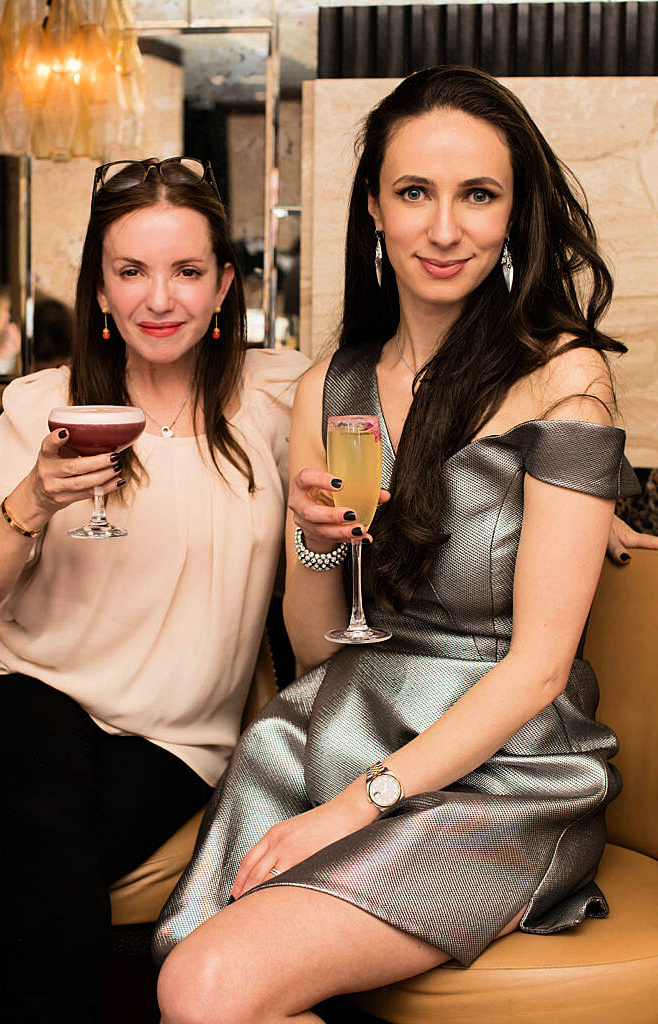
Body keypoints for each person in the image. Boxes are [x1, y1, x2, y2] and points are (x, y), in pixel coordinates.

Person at [153, 66, 657, 1022]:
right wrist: (312, 543)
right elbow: (315, 647)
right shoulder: (327, 389)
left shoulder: (563, 377)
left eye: (479, 195)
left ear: (515, 216)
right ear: (374, 209)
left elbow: (541, 669)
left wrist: (351, 812)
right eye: (414, 192)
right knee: (198, 985)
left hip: (502, 771)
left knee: (208, 988)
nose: (443, 228)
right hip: (335, 730)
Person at [0, 157, 308, 1023]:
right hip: (28, 695)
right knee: (50, 832)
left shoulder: (281, 394)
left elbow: (431, 409)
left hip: (176, 737)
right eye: (131, 271)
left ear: (225, 284)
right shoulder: (44, 405)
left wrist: (571, 489)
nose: (160, 299)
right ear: (99, 291)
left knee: (48, 866)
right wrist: (36, 495)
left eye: (187, 272)